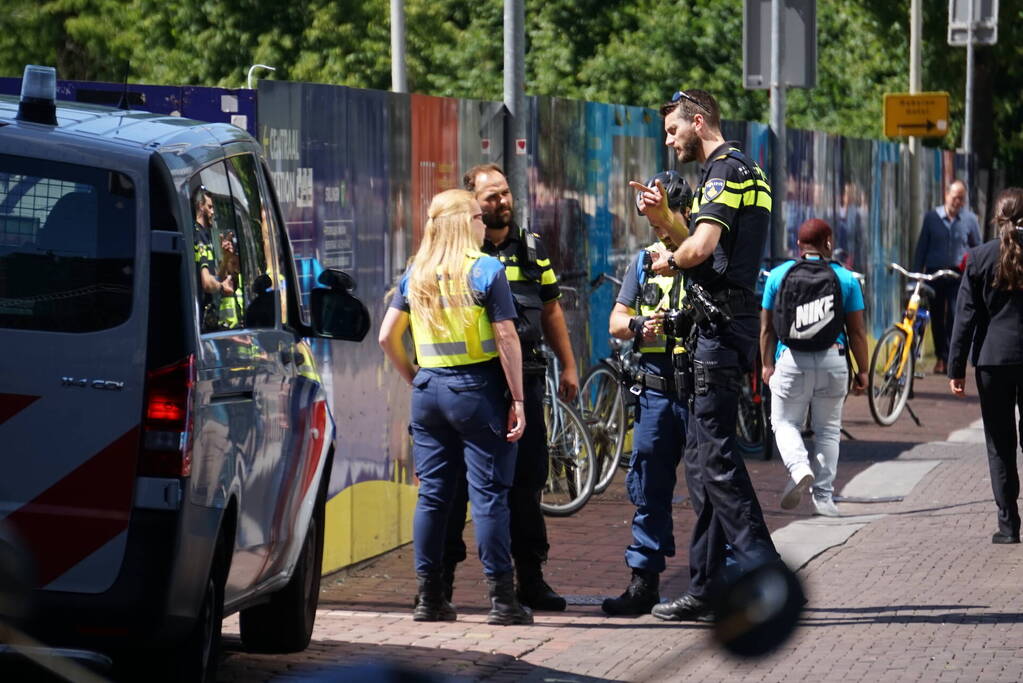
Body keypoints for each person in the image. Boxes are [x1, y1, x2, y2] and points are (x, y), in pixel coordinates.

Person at [644, 88, 780, 622]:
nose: (670, 141)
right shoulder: (742, 170)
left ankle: (765, 573)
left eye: (673, 130)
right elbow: (709, 249)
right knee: (703, 463)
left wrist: (670, 259)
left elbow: (700, 252)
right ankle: (705, 587)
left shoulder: (725, 170)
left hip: (722, 328)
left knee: (717, 459)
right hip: (724, 323)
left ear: (698, 122)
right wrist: (665, 221)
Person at [378, 188, 532, 625]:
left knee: (432, 497)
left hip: (429, 392)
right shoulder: (485, 269)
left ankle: (430, 599)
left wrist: (416, 378)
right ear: (466, 223)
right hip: (477, 390)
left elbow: (386, 336)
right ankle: (503, 602)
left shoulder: (417, 272)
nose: (484, 224)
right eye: (479, 217)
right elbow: (506, 336)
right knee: (489, 497)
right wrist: (518, 399)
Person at [440, 164, 579, 612]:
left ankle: (530, 579)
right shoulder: (459, 251)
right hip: (477, 382)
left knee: (527, 481)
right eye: (491, 197)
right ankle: (441, 583)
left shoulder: (532, 248)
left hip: (528, 378)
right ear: (473, 203)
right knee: (459, 486)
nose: (501, 202)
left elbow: (551, 310)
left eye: (504, 193)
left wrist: (569, 365)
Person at [601, 171, 693, 615]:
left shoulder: (704, 255)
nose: (659, 232)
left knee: (712, 489)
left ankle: (717, 580)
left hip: (697, 389)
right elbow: (616, 321)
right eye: (653, 225)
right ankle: (643, 584)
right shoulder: (643, 261)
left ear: (686, 213)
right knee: (648, 489)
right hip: (655, 391)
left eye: (665, 220)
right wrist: (639, 325)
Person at [760, 218, 869, 517]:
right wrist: (863, 370)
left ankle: (799, 468)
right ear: (828, 243)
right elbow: (857, 331)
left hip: (791, 360)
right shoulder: (846, 279)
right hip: (833, 360)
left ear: (798, 244)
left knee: (784, 423)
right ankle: (823, 497)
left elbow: (767, 328)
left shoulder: (778, 276)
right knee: (828, 431)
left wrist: (767, 364)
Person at [948, 187, 1023, 545]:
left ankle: (1008, 527)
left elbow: (965, 318)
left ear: (997, 217)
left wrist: (955, 368)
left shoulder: (979, 258)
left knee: (1000, 443)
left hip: (992, 360)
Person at [913, 179, 981, 374]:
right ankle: (940, 357)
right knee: (935, 316)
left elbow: (977, 247)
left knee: (954, 314)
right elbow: (922, 247)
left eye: (961, 199)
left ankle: (951, 357)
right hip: (934, 273)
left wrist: (976, 271)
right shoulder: (931, 217)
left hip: (957, 274)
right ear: (946, 195)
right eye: (955, 197)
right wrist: (916, 274)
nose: (957, 202)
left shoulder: (970, 219)